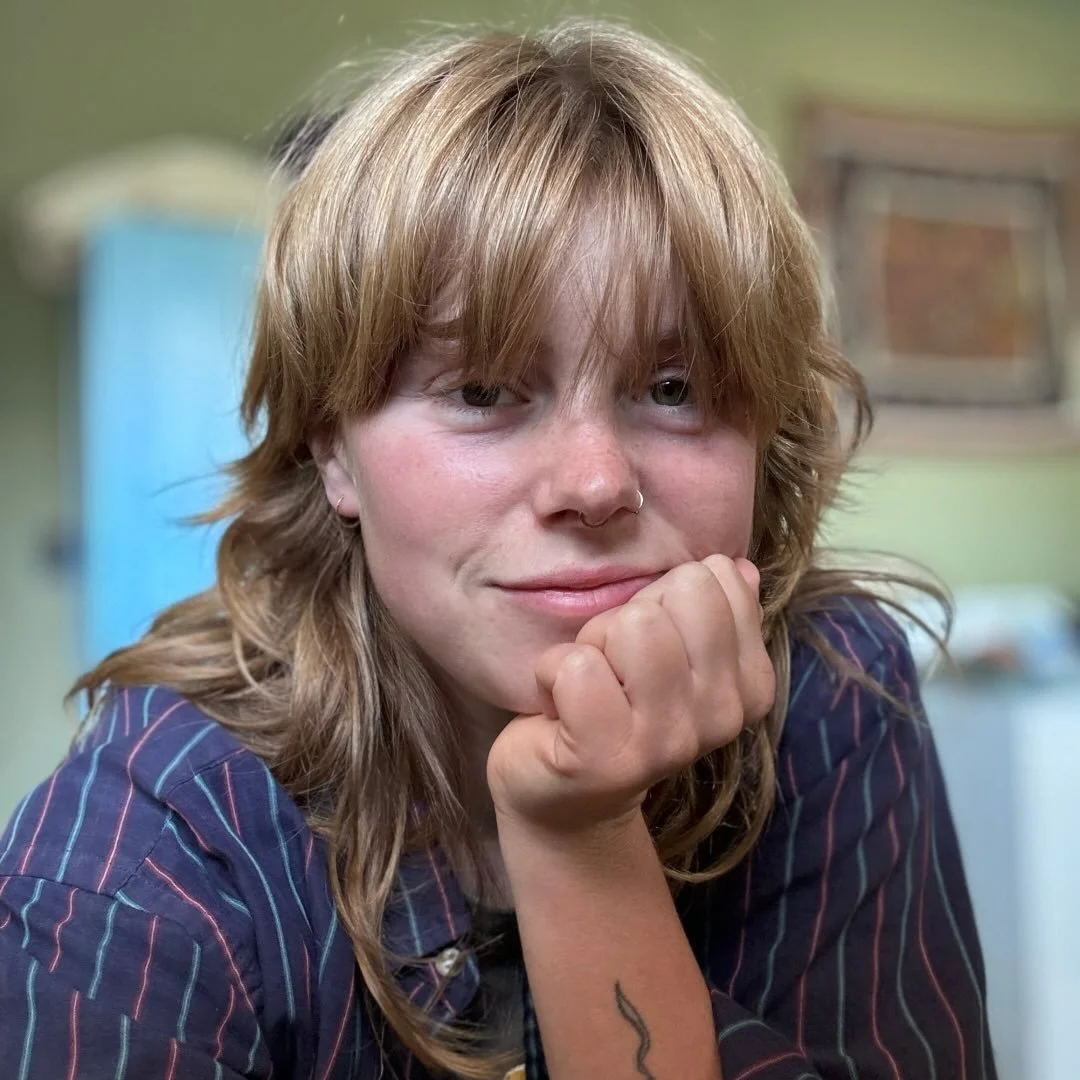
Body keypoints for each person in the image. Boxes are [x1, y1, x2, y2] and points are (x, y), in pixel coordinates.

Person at [0, 19, 995, 1080]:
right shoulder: (147, 849)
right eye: (481, 391)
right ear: (333, 451)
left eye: (673, 388)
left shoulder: (832, 694)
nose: (597, 484)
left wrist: (582, 842)